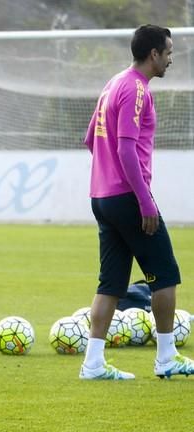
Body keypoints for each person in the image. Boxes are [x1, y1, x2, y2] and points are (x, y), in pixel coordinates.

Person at [80, 24, 194, 380]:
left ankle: (93, 364)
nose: (171, 60)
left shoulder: (113, 83)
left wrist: (107, 175)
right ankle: (166, 359)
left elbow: (89, 139)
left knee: (110, 283)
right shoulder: (136, 90)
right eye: (169, 52)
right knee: (165, 276)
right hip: (128, 196)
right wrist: (145, 202)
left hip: (102, 196)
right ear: (153, 54)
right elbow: (126, 148)